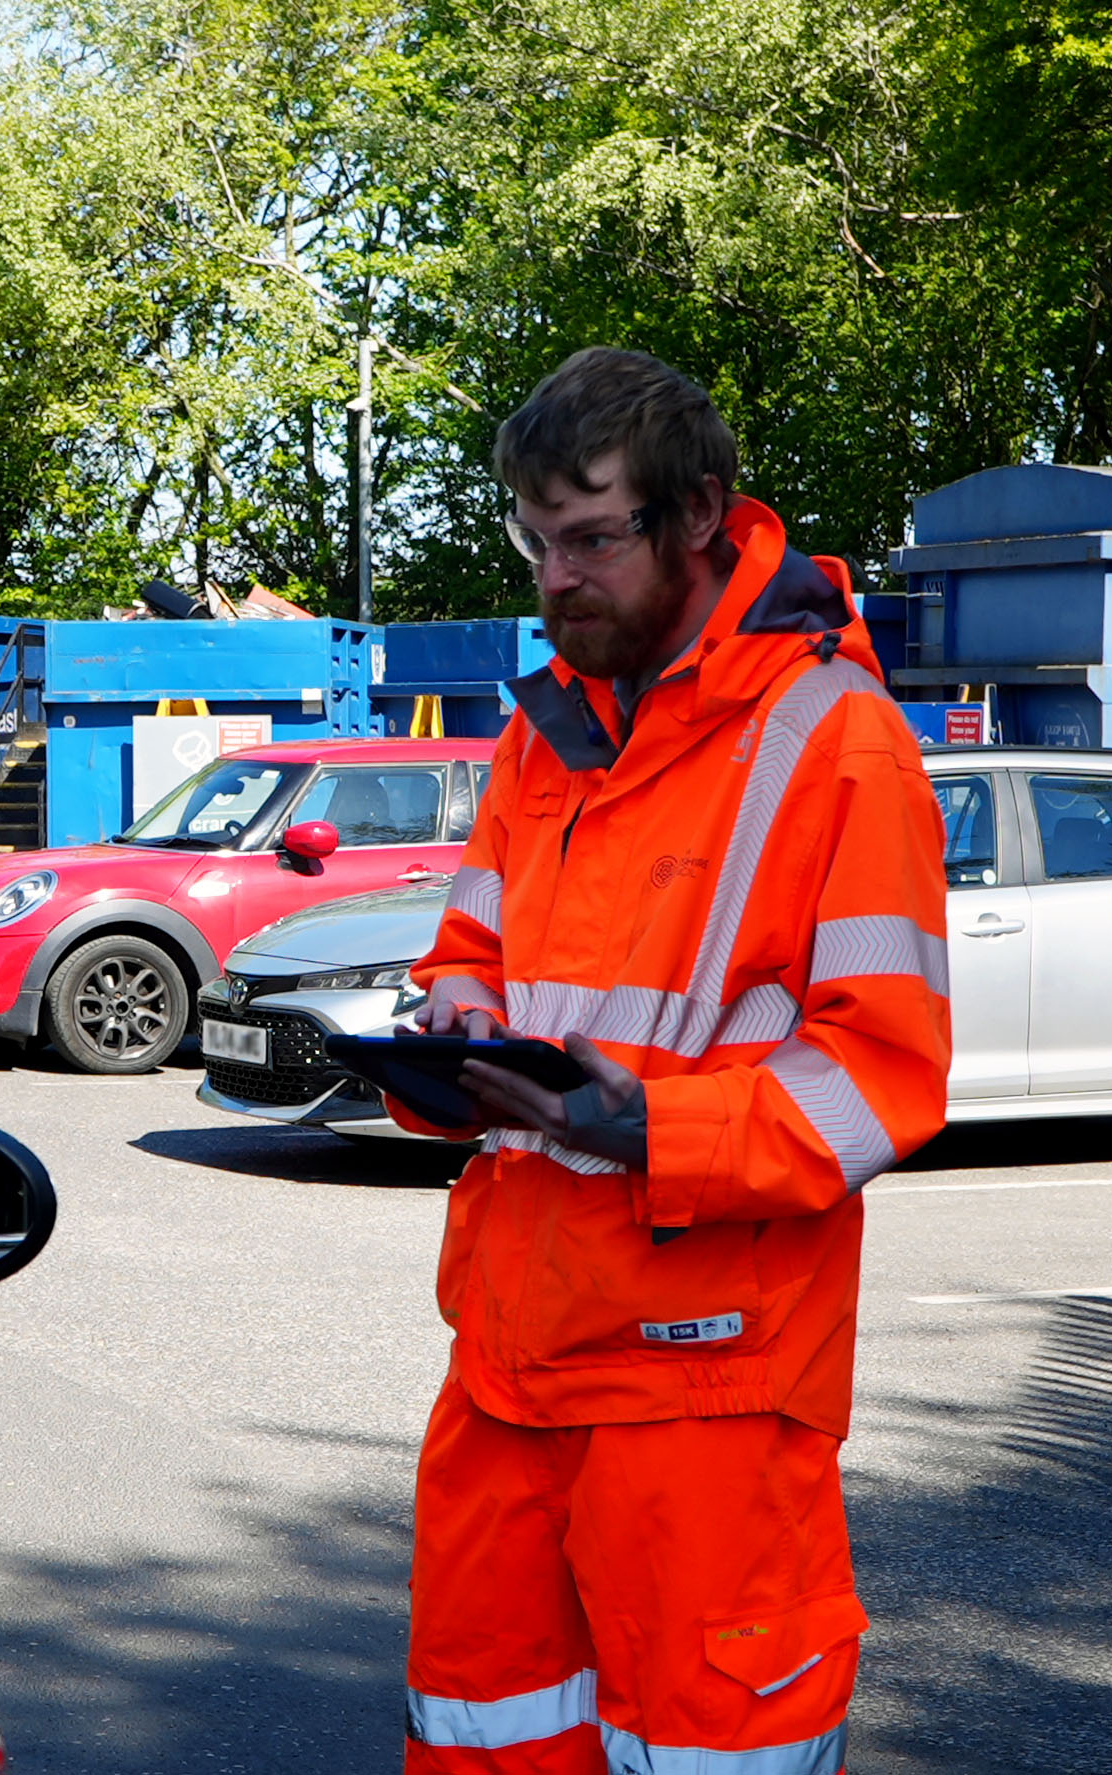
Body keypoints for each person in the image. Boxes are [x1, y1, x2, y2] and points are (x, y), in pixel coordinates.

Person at [393, 348, 951, 1774]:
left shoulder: (838, 746)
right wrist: (444, 1039)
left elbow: (880, 1078)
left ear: (698, 515)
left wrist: (644, 1127)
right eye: (533, 545)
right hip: (511, 1362)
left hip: (702, 1387)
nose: (555, 582)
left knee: (711, 1750)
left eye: (590, 540)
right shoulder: (542, 741)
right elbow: (471, 956)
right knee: (483, 1738)